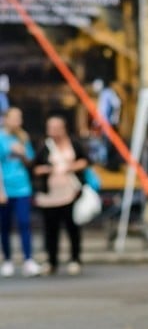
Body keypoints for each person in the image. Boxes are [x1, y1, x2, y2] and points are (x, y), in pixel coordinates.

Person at [32, 115, 89, 275]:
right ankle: (52, 261)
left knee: (72, 227)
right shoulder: (44, 146)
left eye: (56, 127)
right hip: (49, 195)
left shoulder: (74, 143)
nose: (53, 131)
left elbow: (85, 160)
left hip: (71, 192)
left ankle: (75, 259)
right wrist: (45, 169)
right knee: (51, 229)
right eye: (50, 127)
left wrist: (72, 167)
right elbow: (34, 168)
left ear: (63, 128)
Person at [0, 106, 40, 277]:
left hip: (23, 187)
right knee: (5, 226)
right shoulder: (1, 138)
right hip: (5, 188)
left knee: (24, 223)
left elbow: (30, 163)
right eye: (15, 117)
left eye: (20, 117)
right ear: (6, 119)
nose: (18, 121)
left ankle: (28, 260)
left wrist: (23, 154)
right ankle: (7, 260)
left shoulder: (23, 138)